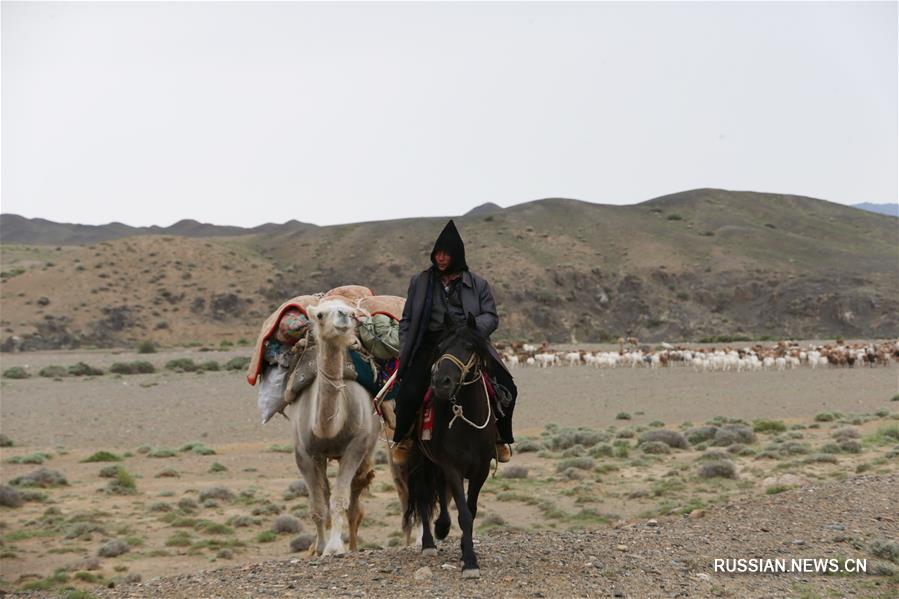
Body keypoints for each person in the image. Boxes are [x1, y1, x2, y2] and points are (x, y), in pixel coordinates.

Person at [390, 219, 517, 464]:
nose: (440, 258)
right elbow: (406, 320)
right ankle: (404, 438)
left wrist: (471, 331)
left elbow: (491, 316)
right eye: (437, 253)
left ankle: (501, 439)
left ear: (456, 256)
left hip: (468, 344)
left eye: (445, 254)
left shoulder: (478, 284)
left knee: (507, 388)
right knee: (409, 391)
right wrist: (406, 350)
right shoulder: (421, 281)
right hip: (431, 345)